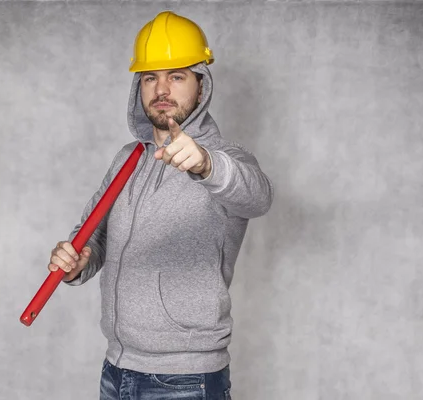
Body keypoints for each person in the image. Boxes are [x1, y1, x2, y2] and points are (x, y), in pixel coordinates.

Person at [47, 11, 274, 400]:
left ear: (201, 87)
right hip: (116, 370)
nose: (161, 89)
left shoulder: (225, 159)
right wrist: (78, 261)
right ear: (139, 86)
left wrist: (205, 164)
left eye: (177, 76)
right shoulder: (127, 158)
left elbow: (258, 196)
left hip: (184, 381)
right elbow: (93, 234)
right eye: (151, 77)